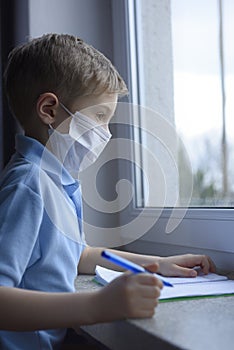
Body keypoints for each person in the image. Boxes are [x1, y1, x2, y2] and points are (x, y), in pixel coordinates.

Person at [0, 33, 215, 350]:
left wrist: (157, 262)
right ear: (49, 109)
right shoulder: (27, 185)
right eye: (100, 117)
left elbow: (80, 256)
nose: (106, 132)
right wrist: (96, 306)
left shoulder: (57, 182)